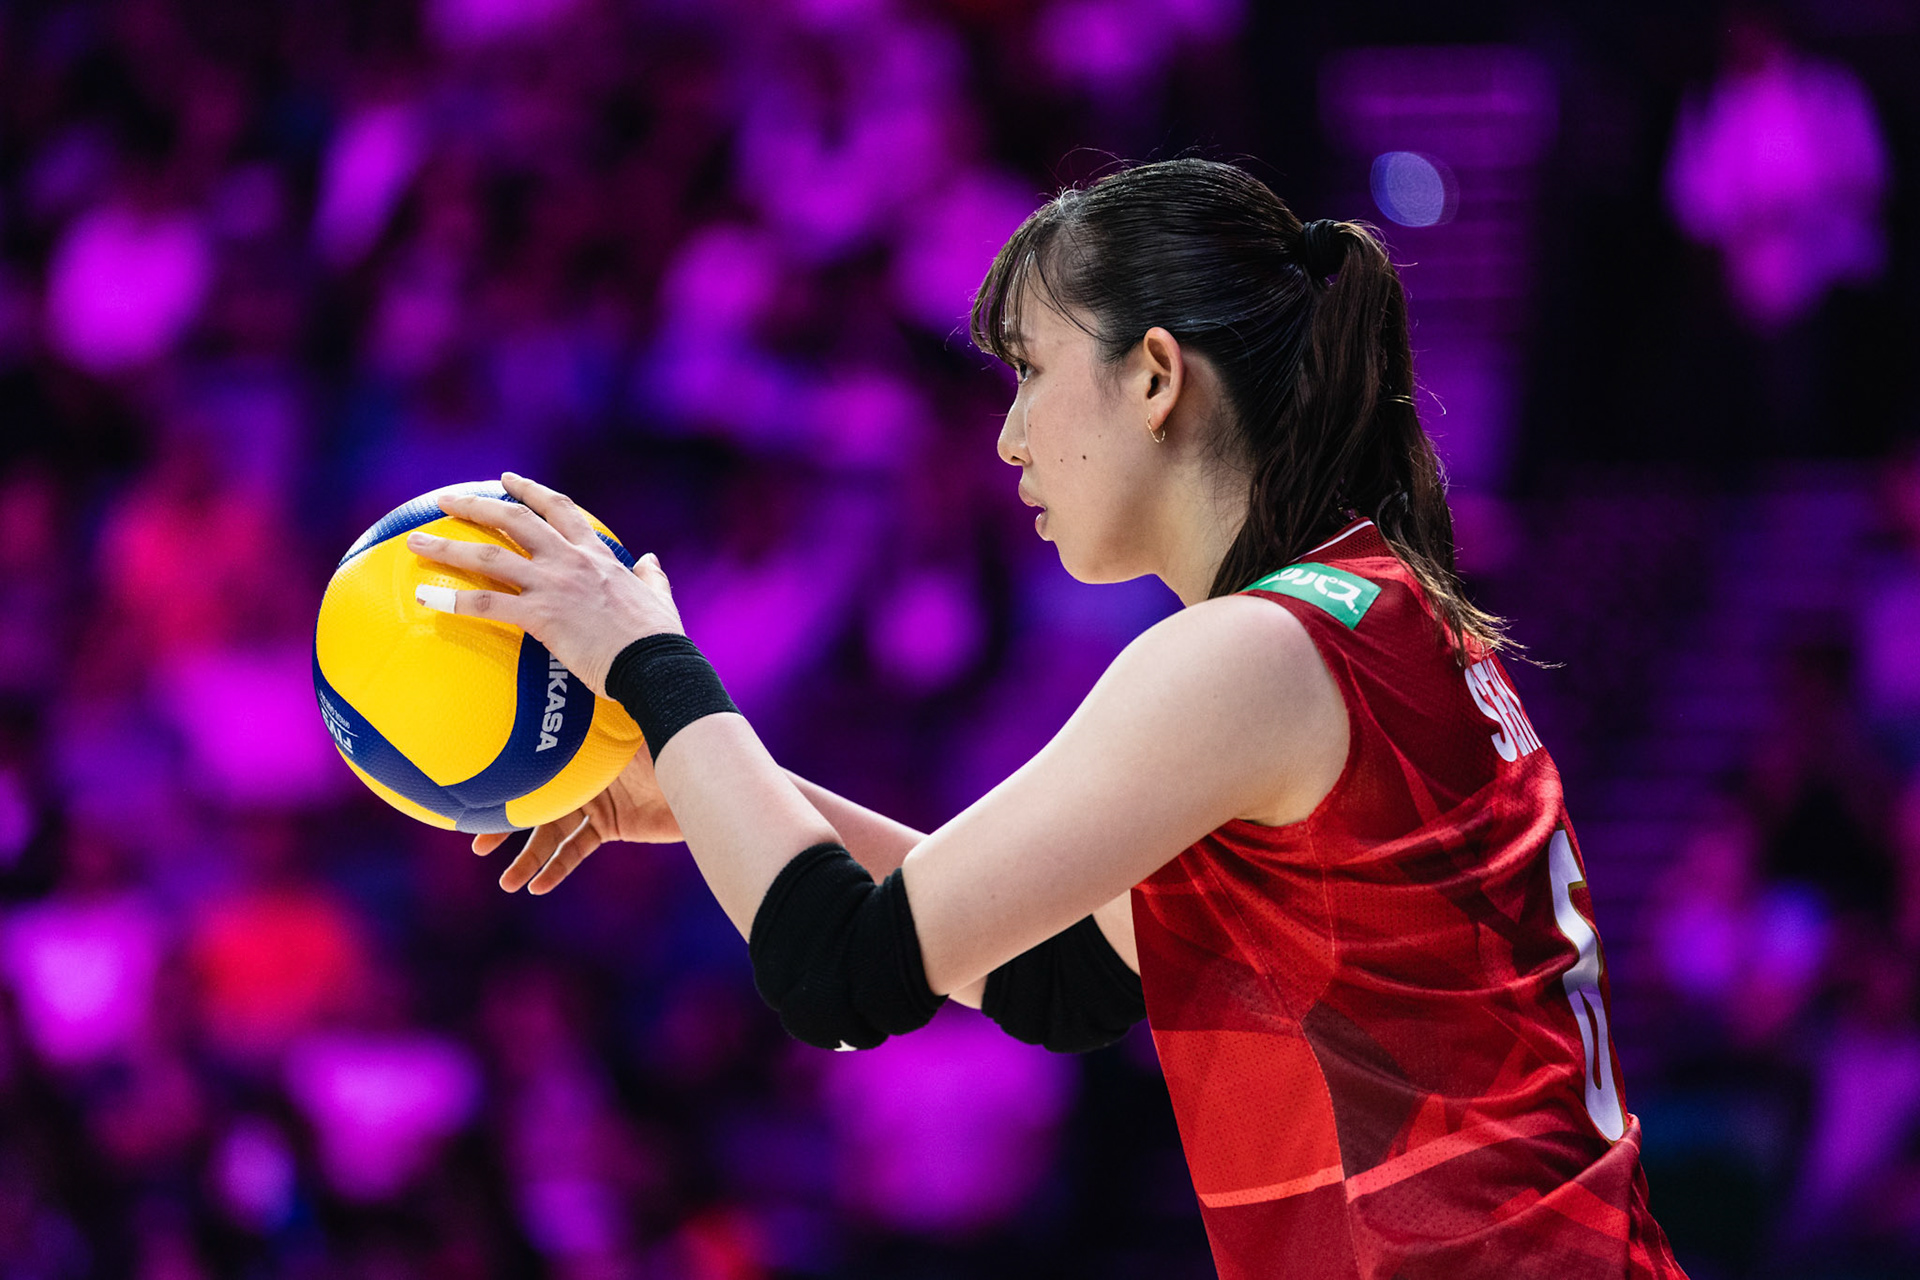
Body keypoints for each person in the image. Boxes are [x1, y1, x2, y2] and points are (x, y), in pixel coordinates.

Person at [404, 159, 1687, 1279]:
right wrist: (700, 790)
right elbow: (1047, 971)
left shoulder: (1246, 658)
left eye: (1029, 372)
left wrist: (652, 662)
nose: (1008, 436)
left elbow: (843, 970)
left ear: (1155, 376)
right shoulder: (1371, 616)